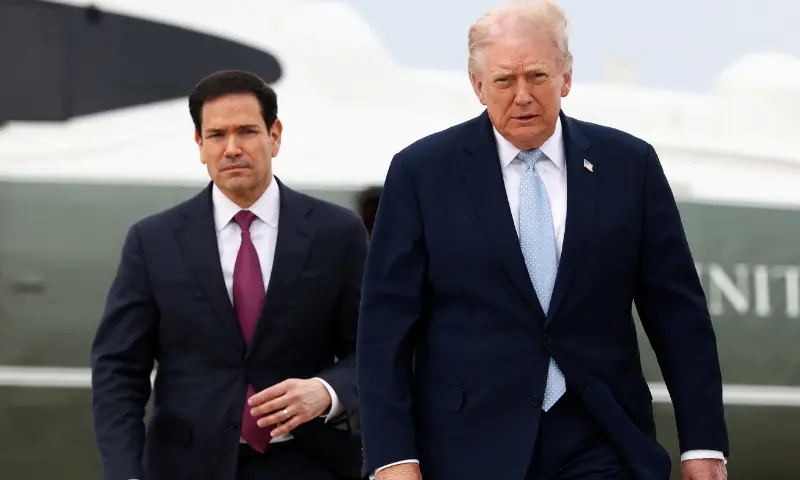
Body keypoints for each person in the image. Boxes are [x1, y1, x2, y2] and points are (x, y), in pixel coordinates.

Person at [355, 1, 729, 479]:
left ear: (566, 78)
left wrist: (704, 444)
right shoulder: (421, 174)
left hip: (602, 437)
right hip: (468, 445)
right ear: (478, 86)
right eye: (505, 81)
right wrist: (392, 457)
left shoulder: (629, 166)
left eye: (537, 76)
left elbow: (678, 314)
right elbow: (386, 326)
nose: (523, 96)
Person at [91, 70, 367, 480]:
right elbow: (118, 369)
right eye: (217, 135)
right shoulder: (153, 240)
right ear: (200, 145)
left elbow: (374, 348)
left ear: (275, 136)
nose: (233, 148)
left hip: (308, 463)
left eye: (247, 132)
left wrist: (327, 393)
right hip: (183, 466)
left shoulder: (337, 233)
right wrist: (125, 472)